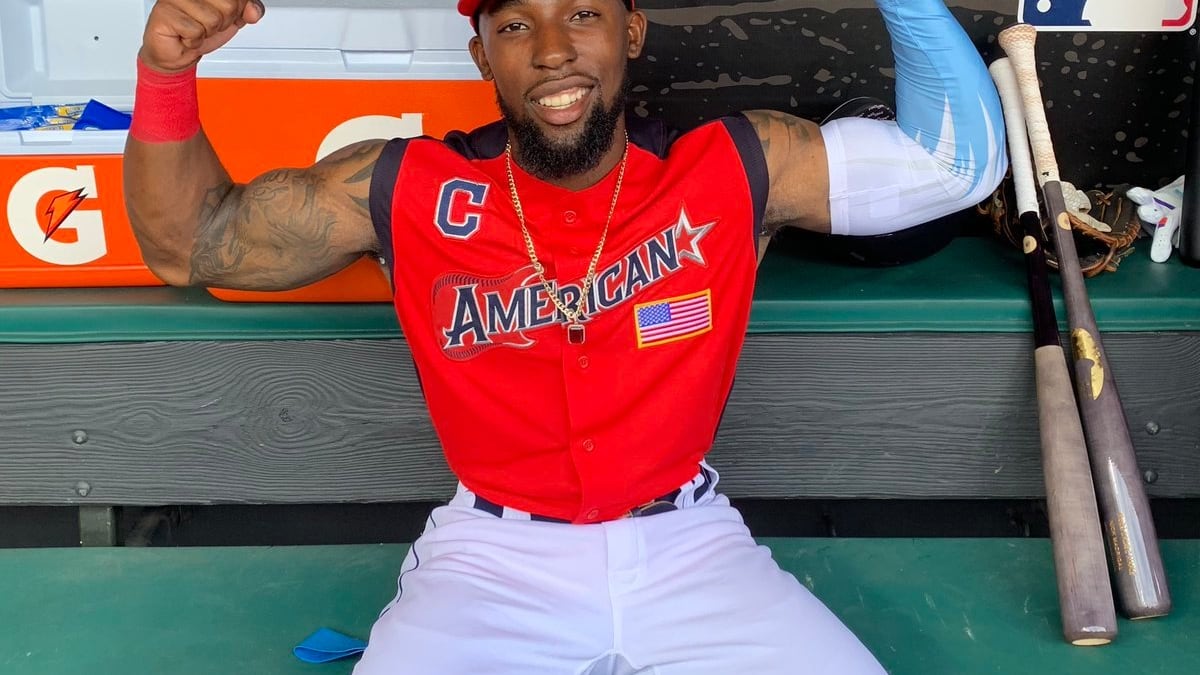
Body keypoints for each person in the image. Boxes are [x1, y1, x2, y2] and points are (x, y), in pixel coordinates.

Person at [124, 0, 1005, 672]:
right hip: (492, 559)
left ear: (630, 31)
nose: (552, 49)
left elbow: (956, 166)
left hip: (690, 547)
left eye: (583, 13)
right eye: (516, 24)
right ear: (483, 55)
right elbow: (189, 243)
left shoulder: (736, 166)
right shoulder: (407, 186)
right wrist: (166, 72)